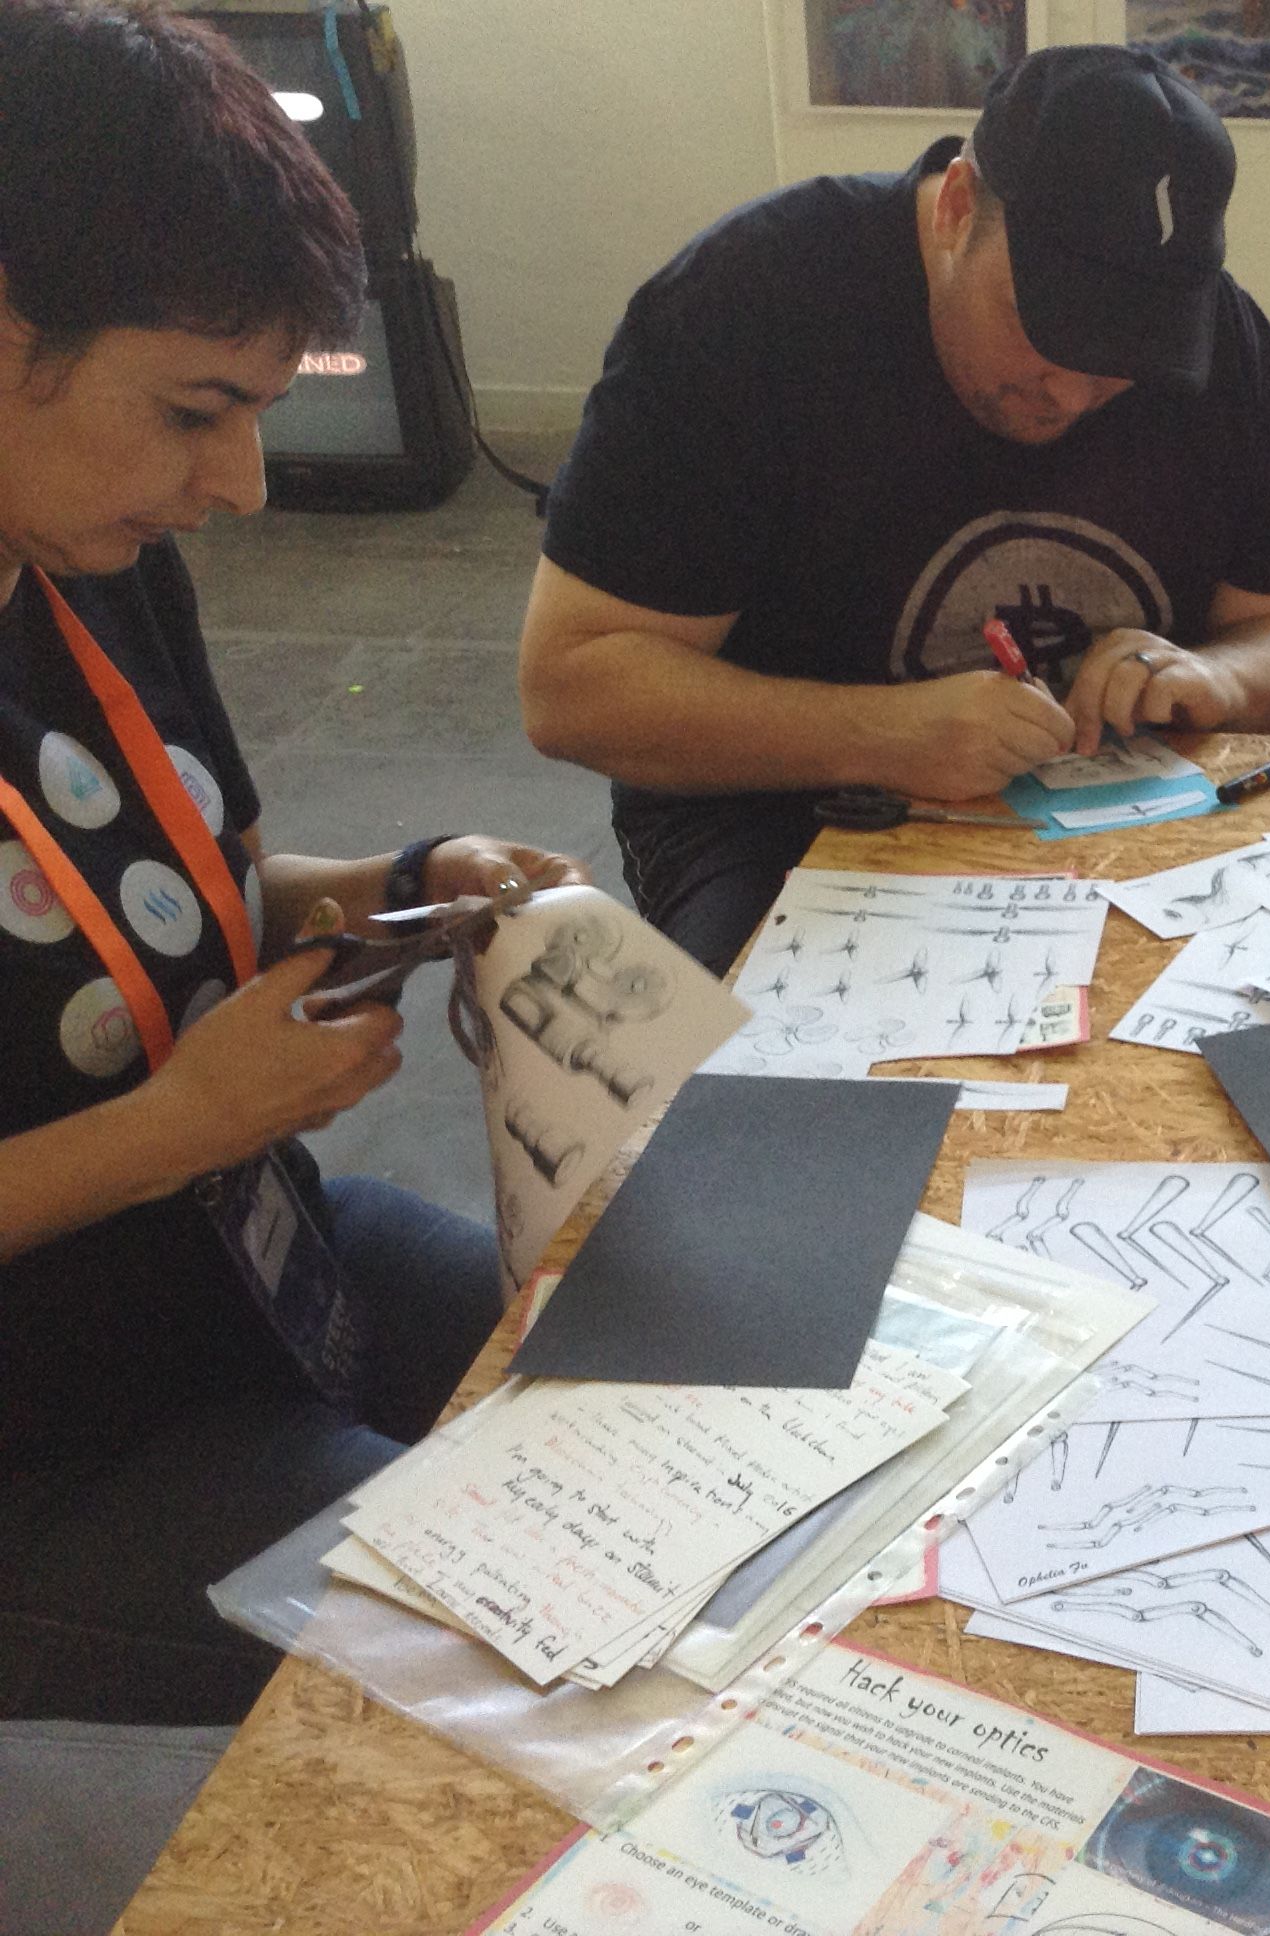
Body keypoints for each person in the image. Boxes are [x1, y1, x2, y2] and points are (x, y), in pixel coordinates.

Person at [0, 0, 585, 1724]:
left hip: (238, 1258)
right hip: (50, 1435)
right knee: (541, 1643)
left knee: (662, 1371)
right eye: (197, 410)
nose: (243, 485)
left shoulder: (88, 556)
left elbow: (196, 895)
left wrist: (411, 880)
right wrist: (175, 1125)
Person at [520, 45, 1270, 974]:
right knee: (747, 1067)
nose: (1076, 392)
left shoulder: (1223, 345)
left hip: (1134, 776)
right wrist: (884, 736)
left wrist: (1217, 677)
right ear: (958, 208)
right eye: (1049, 327)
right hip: (794, 797)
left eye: (1128, 357)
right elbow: (571, 687)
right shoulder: (748, 308)